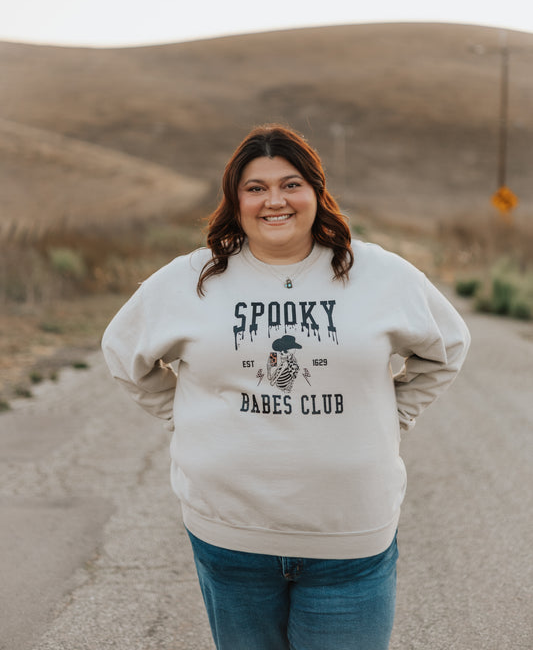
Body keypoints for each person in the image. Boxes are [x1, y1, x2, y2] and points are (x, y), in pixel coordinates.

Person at [101, 123, 470, 650]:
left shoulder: (381, 275)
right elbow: (122, 353)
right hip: (230, 535)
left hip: (350, 537)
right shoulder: (191, 279)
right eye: (256, 188)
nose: (275, 200)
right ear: (236, 200)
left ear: (317, 193)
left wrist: (396, 414)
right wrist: (181, 416)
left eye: (291, 184)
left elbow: (448, 347)